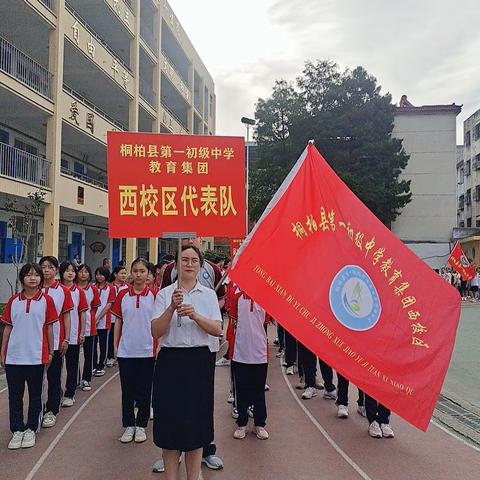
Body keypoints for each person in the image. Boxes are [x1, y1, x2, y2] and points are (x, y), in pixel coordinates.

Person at [154, 237, 226, 473]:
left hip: (199, 362)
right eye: (184, 259)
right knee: (170, 426)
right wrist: (172, 308)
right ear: (176, 264)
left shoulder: (207, 295)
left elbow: (217, 329)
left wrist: (195, 316)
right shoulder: (165, 294)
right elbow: (156, 331)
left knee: (196, 427)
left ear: (200, 265)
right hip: (170, 362)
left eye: (194, 260)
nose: (189, 264)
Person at [1, 263, 58, 449]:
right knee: (15, 396)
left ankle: (31, 429)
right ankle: (17, 429)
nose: (32, 278)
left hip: (36, 356)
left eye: (36, 275)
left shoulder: (46, 301)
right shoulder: (13, 301)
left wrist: (50, 351)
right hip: (14, 357)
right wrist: (3, 352)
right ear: (22, 278)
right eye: (28, 275)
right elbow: (8, 327)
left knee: (35, 395)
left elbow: (49, 327)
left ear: (41, 278)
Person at [111, 258, 157, 444]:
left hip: (147, 350)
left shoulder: (154, 295)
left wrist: (158, 345)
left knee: (145, 390)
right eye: (135, 271)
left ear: (148, 274)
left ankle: (141, 425)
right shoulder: (123, 295)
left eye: (142, 271)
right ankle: (129, 424)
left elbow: (158, 323)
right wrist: (115, 346)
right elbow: (119, 322)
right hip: (127, 350)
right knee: (127, 390)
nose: (138, 274)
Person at [229, 286, 269, 440]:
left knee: (259, 390)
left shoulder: (265, 297)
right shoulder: (236, 296)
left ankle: (259, 424)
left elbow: (265, 321)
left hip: (259, 351)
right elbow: (232, 322)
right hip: (241, 351)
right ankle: (242, 424)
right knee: (241, 389)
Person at [39, 256, 73, 429]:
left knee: (53, 376)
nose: (46, 270)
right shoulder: (34, 289)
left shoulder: (62, 291)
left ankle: (51, 410)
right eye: (43, 267)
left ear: (56, 270)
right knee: (37, 378)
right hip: (35, 341)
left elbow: (66, 316)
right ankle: (38, 408)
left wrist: (66, 338)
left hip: (56, 340)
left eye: (50, 267)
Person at [60, 261, 88, 407]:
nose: (70, 273)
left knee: (72, 365)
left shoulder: (79, 292)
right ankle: (56, 392)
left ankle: (69, 393)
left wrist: (82, 332)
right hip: (59, 335)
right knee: (56, 368)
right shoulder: (56, 290)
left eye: (73, 271)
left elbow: (82, 313)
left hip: (73, 334)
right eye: (67, 270)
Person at [76, 264, 101, 391]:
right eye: (80, 271)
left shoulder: (93, 289)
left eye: (86, 272)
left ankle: (86, 379)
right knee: (74, 355)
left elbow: (95, 306)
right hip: (75, 325)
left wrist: (90, 318)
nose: (83, 274)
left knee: (88, 354)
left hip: (89, 326)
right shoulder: (72, 288)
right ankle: (75, 378)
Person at [93, 266, 115, 377]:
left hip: (104, 321)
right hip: (92, 321)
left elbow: (109, 304)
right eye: (97, 274)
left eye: (101, 274)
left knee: (103, 344)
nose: (99, 277)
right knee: (93, 344)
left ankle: (102, 364)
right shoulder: (93, 287)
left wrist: (99, 318)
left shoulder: (110, 288)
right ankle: (93, 365)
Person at [107, 266, 129, 367]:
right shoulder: (109, 286)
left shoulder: (128, 287)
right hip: (110, 317)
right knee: (111, 337)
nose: (124, 275)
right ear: (115, 274)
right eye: (121, 273)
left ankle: (119, 354)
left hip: (122, 318)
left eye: (125, 273)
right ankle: (111, 356)